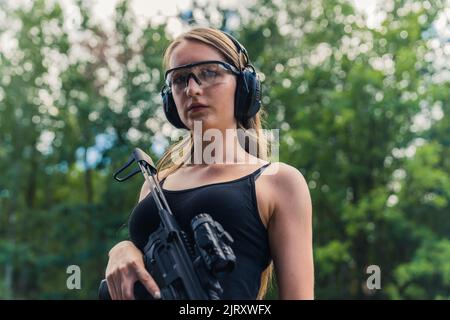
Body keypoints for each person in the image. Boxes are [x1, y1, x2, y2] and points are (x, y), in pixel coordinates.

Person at [105, 27, 314, 300]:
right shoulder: (155, 185)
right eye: (179, 79)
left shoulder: (279, 181)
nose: (192, 89)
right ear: (169, 99)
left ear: (244, 87)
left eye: (209, 72)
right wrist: (121, 249)